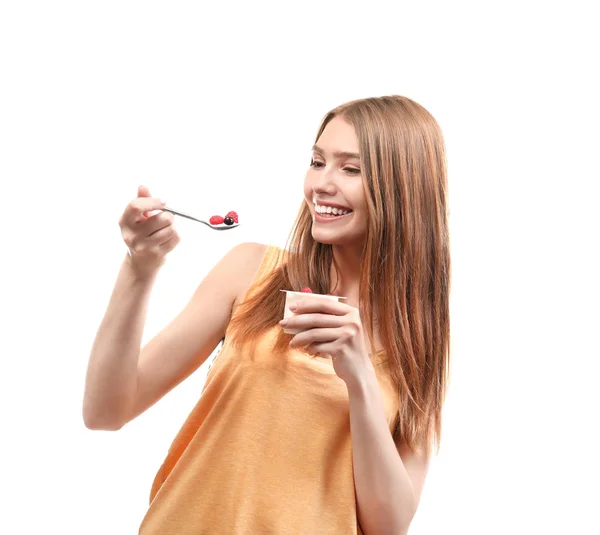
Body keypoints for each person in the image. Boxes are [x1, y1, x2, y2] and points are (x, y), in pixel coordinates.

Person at [83, 95, 451, 534]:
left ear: (405, 187)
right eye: (317, 162)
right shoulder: (253, 272)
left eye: (350, 169)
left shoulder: (418, 339)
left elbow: (387, 526)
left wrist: (359, 379)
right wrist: (140, 269)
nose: (321, 184)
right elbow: (105, 411)